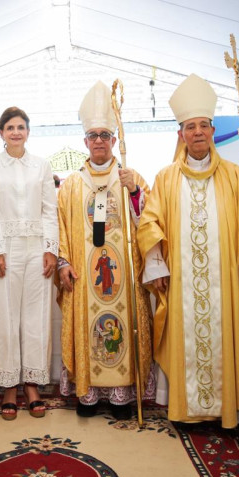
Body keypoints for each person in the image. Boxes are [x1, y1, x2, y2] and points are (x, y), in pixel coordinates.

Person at [137, 74, 239, 429]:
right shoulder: (166, 177)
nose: (198, 132)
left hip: (226, 282)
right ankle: (186, 410)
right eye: (191, 126)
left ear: (212, 130)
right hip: (182, 282)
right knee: (184, 341)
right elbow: (148, 222)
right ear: (181, 134)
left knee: (225, 340)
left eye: (204, 125)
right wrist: (156, 264)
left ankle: (228, 412)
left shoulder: (234, 175)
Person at [57, 80, 154, 420]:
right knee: (90, 327)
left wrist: (135, 194)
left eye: (105, 135)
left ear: (114, 140)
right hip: (86, 275)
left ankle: (121, 396)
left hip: (123, 275)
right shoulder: (71, 185)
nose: (99, 141)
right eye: (93, 135)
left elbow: (151, 220)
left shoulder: (130, 175)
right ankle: (89, 395)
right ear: (85, 141)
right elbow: (61, 228)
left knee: (121, 326)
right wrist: (64, 263)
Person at [0, 107, 58, 420]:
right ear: (1, 133)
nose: (15, 132)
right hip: (6, 250)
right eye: (10, 127)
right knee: (7, 318)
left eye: (21, 127)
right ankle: (9, 388)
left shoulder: (41, 165)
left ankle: (33, 386)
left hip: (37, 247)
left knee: (36, 317)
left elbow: (50, 210)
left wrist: (51, 249)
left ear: (28, 132)